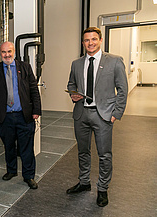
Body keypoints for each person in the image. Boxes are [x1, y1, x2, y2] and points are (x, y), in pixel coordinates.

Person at [66, 27, 128, 207]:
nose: (90, 43)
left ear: (100, 40)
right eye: (86, 40)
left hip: (104, 115)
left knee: (104, 155)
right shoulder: (76, 64)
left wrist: (115, 114)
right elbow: (71, 83)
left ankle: (102, 189)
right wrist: (73, 94)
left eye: (94, 39)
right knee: (83, 152)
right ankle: (84, 183)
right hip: (81, 113)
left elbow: (123, 89)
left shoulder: (115, 61)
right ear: (83, 42)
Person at [0, 41, 41, 189]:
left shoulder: (25, 67)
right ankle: (11, 171)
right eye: (3, 52)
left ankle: (29, 176)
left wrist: (36, 110)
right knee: (9, 146)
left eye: (9, 51)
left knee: (26, 148)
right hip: (5, 116)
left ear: (14, 51)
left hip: (24, 116)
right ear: (0, 53)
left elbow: (33, 90)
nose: (7, 55)